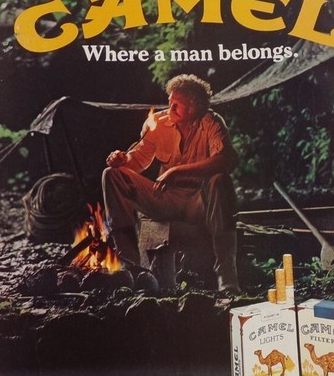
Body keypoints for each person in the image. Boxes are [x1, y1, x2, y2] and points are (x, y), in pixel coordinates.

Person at [102, 74, 240, 293]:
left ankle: (227, 276)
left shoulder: (211, 122)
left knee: (220, 180)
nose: (170, 108)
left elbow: (226, 159)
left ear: (194, 108)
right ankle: (130, 266)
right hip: (164, 198)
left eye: (177, 104)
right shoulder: (159, 123)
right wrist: (122, 160)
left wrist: (177, 171)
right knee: (112, 174)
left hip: (198, 202)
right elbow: (138, 159)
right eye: (170, 101)